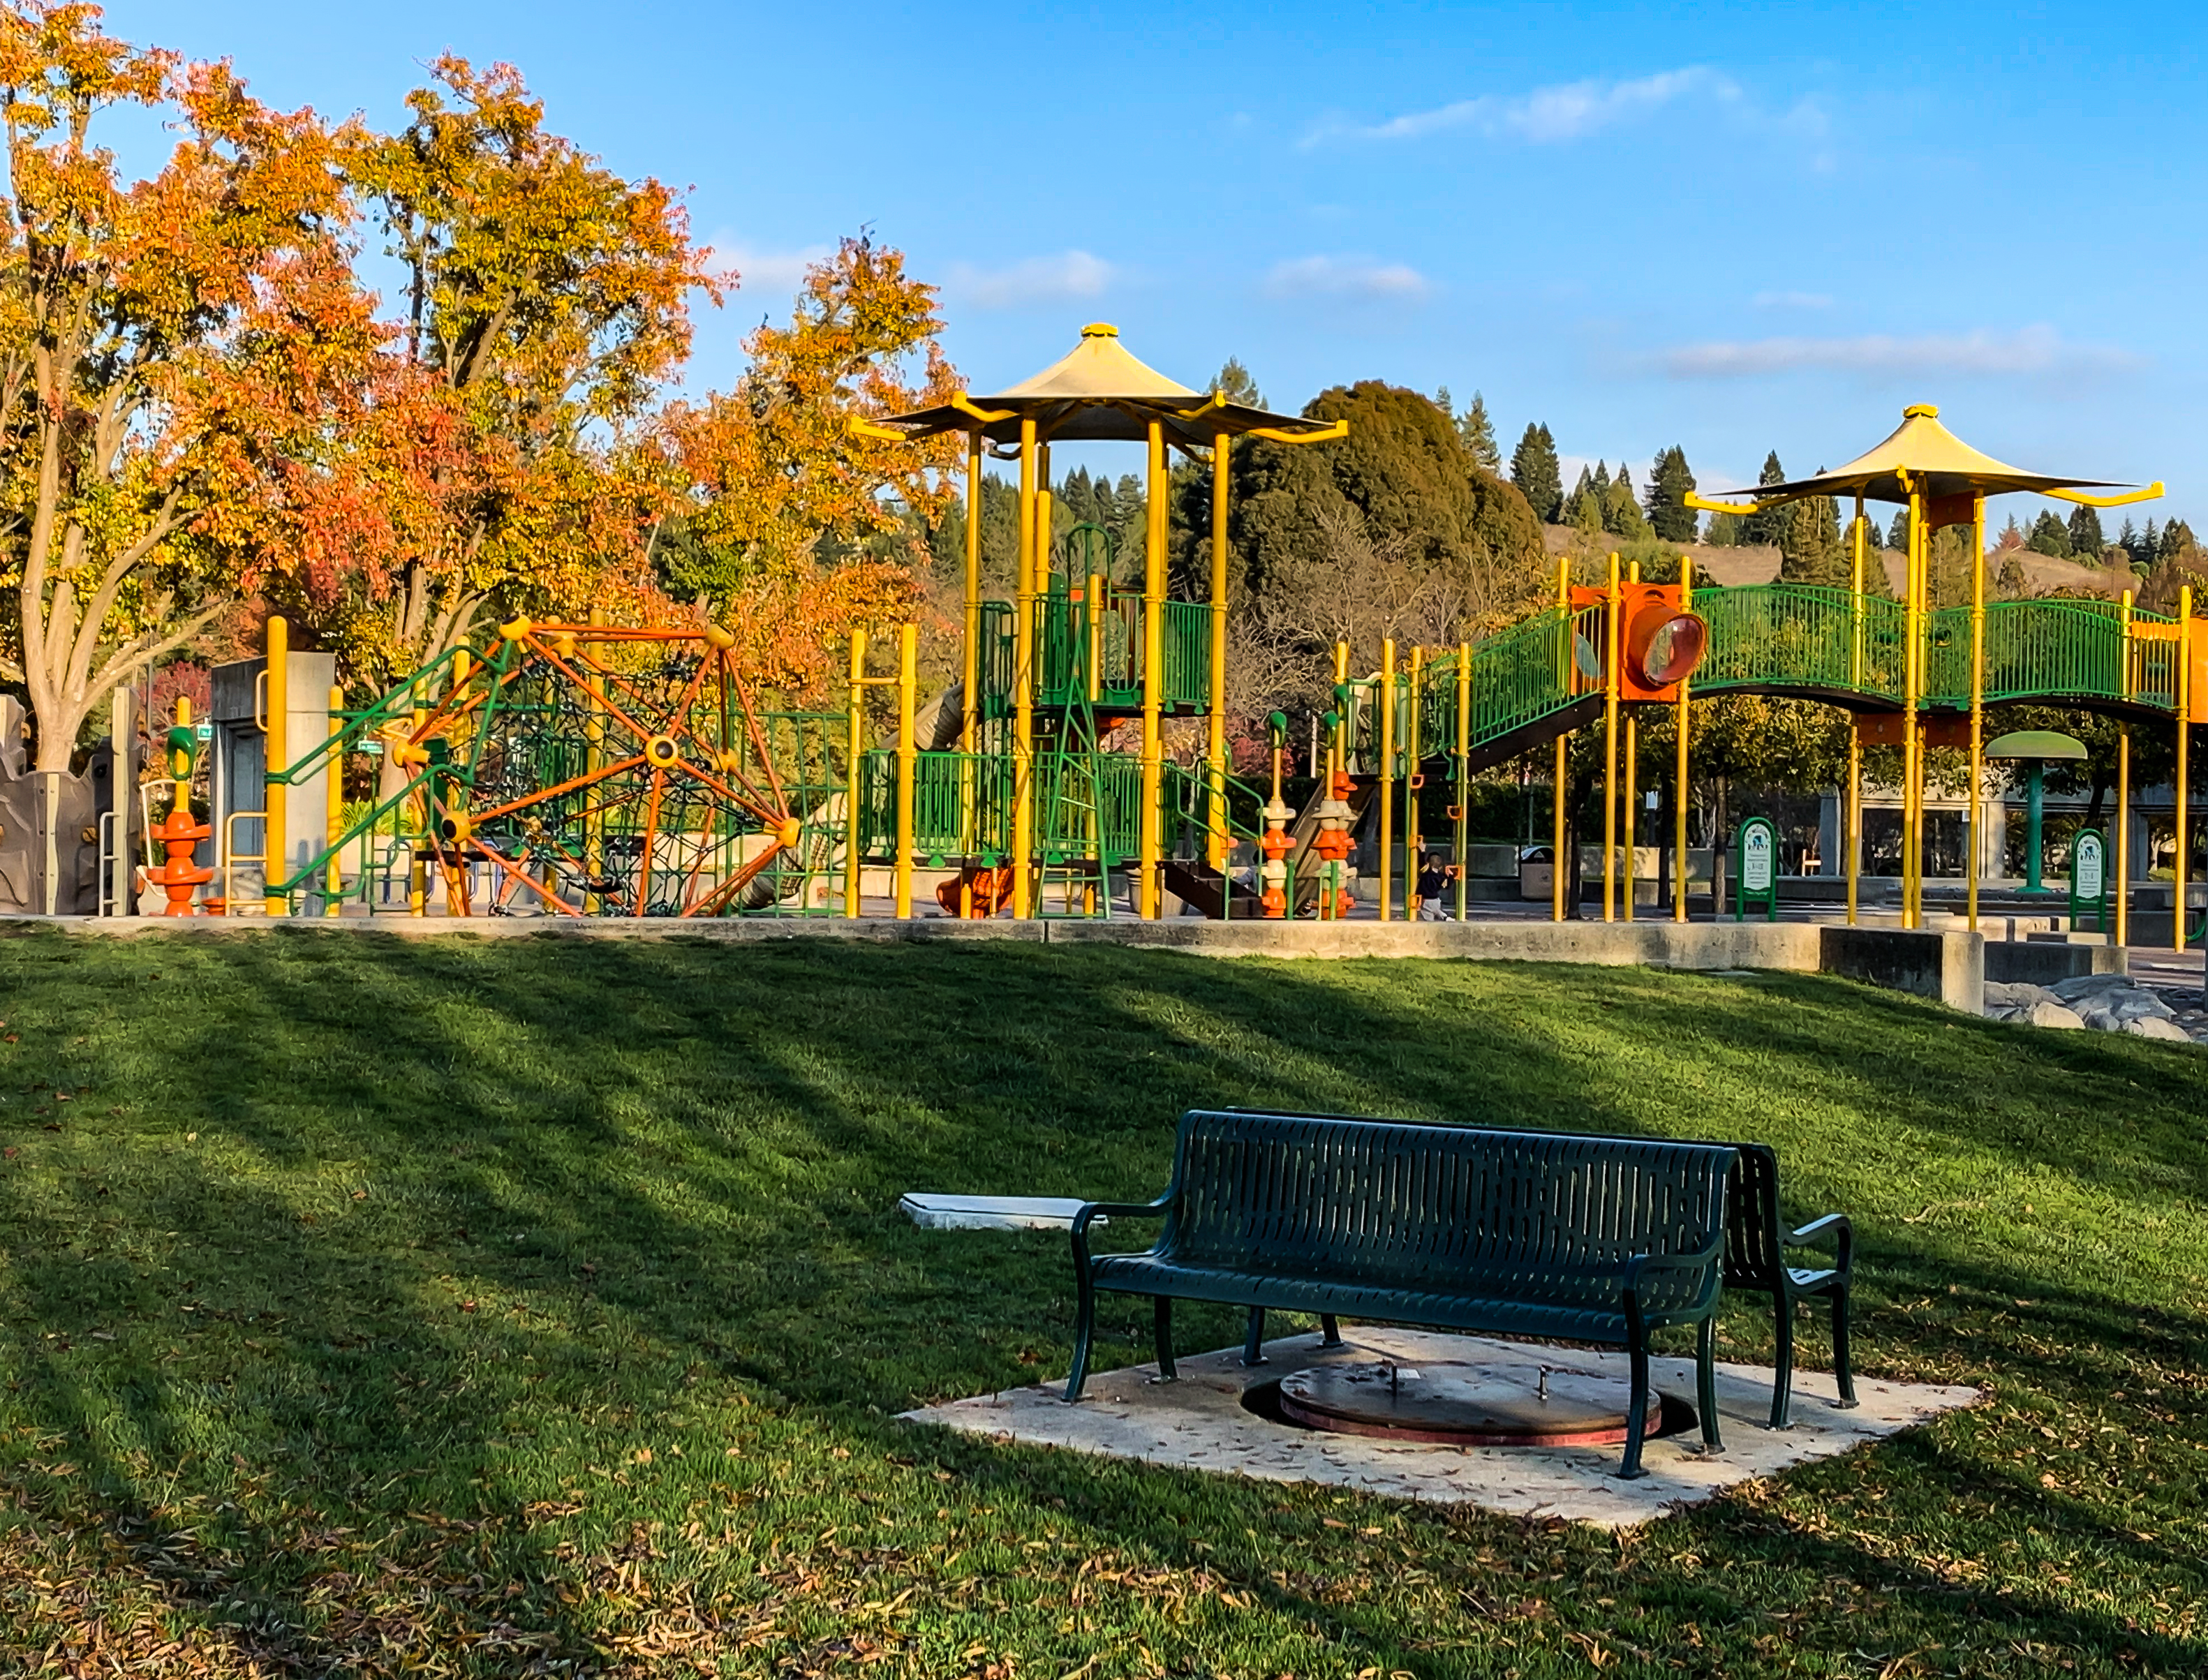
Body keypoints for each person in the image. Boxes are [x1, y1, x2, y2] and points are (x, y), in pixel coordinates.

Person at [1414, 848, 1451, 920]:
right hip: (1435, 899)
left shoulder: (1425, 873)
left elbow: (1421, 862)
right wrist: (1450, 877)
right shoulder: (1441, 876)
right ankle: (1445, 918)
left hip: (1424, 900)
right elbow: (1446, 886)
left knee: (1430, 918)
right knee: (1435, 913)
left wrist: (1422, 850)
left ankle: (1445, 918)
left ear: (1428, 863)